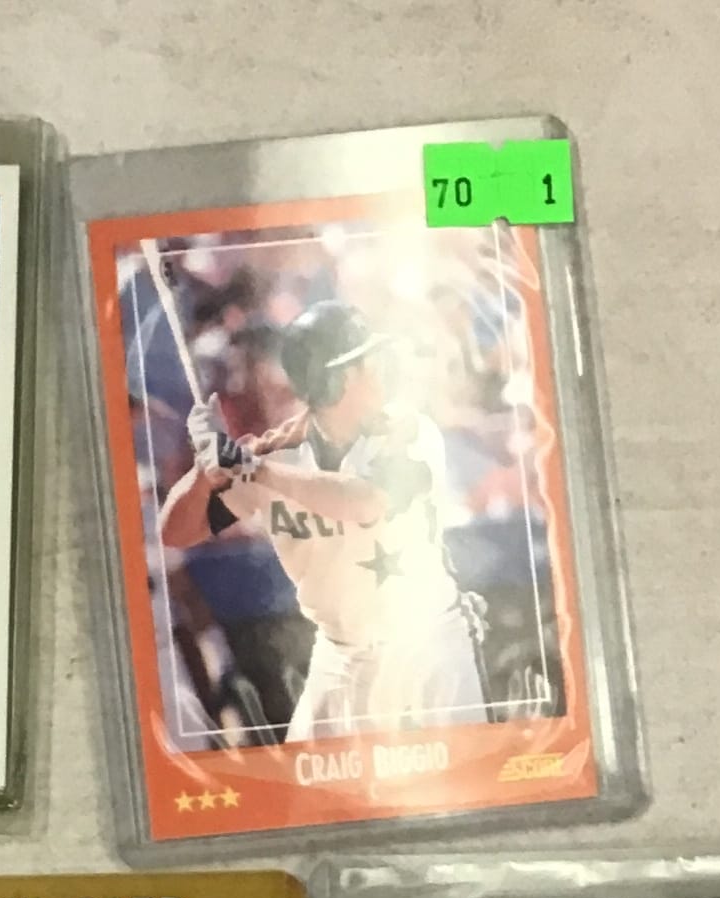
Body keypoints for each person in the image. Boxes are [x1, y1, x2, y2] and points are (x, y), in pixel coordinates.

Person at [158, 296, 487, 743]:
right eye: (366, 361)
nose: (380, 370)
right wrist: (204, 473)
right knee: (305, 783)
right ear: (335, 379)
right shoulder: (273, 453)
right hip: (340, 657)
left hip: (426, 649)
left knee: (454, 777)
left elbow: (365, 502)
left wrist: (254, 468)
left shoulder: (407, 432)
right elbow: (175, 533)